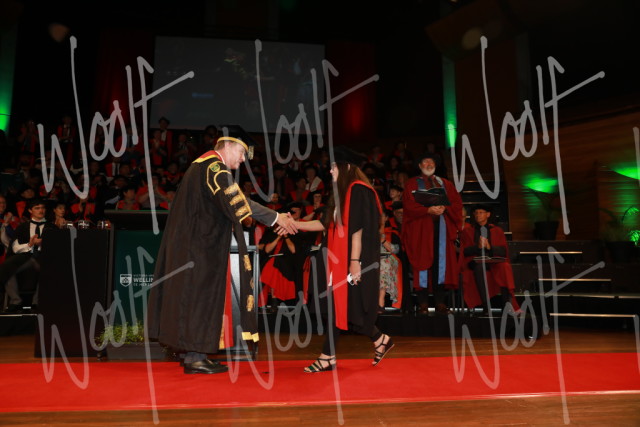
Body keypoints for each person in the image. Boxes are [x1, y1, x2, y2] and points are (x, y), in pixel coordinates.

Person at [147, 136, 297, 375]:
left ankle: (191, 355)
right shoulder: (214, 167)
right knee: (200, 298)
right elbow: (237, 200)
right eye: (241, 153)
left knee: (189, 297)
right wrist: (276, 217)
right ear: (226, 146)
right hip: (200, 247)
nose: (242, 160)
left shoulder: (199, 166)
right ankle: (196, 357)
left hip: (190, 244)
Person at [291, 146, 394, 373]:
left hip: (352, 259)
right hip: (336, 259)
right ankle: (379, 339)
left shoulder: (358, 190)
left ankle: (329, 356)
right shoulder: (342, 193)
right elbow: (324, 224)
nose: (330, 171)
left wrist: (354, 262)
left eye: (333, 167)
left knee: (343, 307)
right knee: (340, 307)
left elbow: (357, 229)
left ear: (346, 167)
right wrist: (293, 224)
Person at [402, 151, 463, 315]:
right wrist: (427, 210)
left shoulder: (445, 184)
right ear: (419, 166)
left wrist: (445, 207)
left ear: (435, 165)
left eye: (431, 163)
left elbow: (457, 204)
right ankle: (422, 303)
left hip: (441, 230)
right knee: (422, 265)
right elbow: (408, 206)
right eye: (425, 162)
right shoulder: (412, 184)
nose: (428, 165)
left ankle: (440, 303)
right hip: (421, 231)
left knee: (439, 266)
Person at [460, 204, 519, 314]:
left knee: (505, 267)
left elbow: (503, 251)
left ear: (488, 214)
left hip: (493, 261)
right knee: (479, 268)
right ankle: (486, 305)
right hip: (476, 261)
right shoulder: (468, 231)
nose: (478, 215)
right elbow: (465, 251)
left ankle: (507, 304)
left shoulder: (496, 230)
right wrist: (477, 247)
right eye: (476, 213)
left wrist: (489, 247)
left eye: (481, 213)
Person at [0, 199, 54, 313]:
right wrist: (30, 244)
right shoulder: (22, 227)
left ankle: (37, 302)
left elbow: (58, 247)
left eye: (43, 208)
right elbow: (15, 247)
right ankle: (15, 301)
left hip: (45, 257)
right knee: (7, 267)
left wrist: (45, 243)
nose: (41, 210)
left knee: (49, 268)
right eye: (37, 208)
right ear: (30, 210)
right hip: (26, 256)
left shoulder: (52, 227)